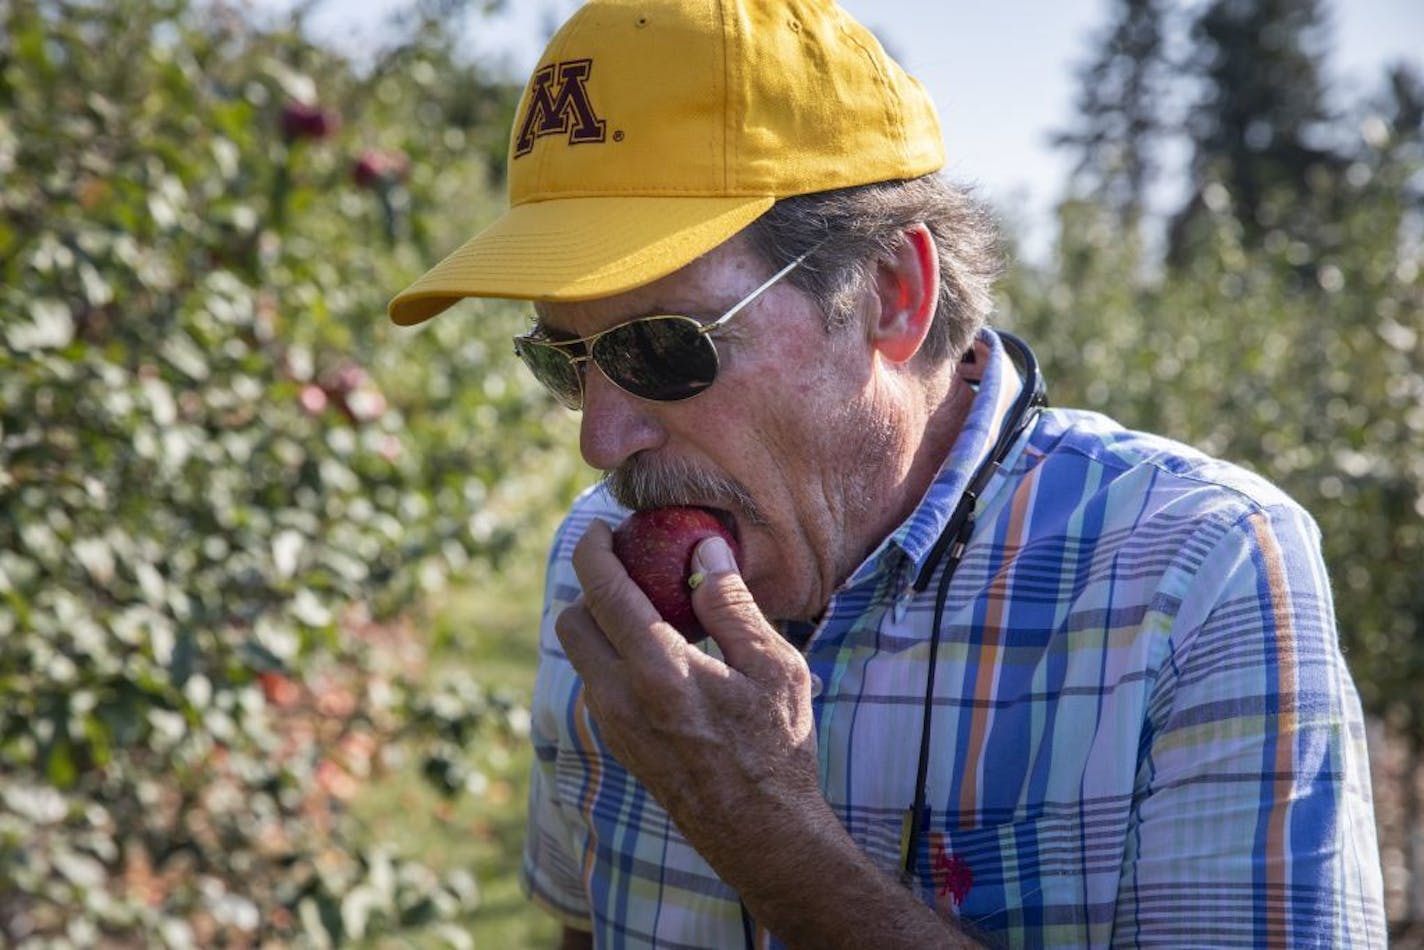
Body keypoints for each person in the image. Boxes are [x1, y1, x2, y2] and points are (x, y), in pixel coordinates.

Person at [388, 1, 1386, 946]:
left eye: (662, 346)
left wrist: (772, 844)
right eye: (564, 358)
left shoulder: (1196, 577)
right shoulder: (599, 568)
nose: (600, 441)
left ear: (891, 294)